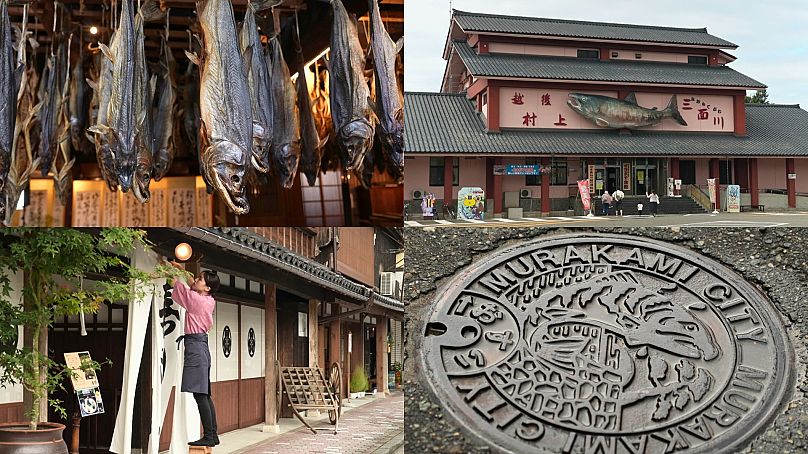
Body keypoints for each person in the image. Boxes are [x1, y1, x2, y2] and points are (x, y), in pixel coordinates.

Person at [168, 262, 221, 447]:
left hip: (195, 348)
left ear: (206, 287)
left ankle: (209, 435)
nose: (196, 280)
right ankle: (212, 434)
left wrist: (167, 267)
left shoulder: (196, 300)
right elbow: (192, 285)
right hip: (201, 346)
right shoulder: (208, 299)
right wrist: (184, 271)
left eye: (200, 279)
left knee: (200, 395)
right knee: (204, 394)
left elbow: (176, 285)